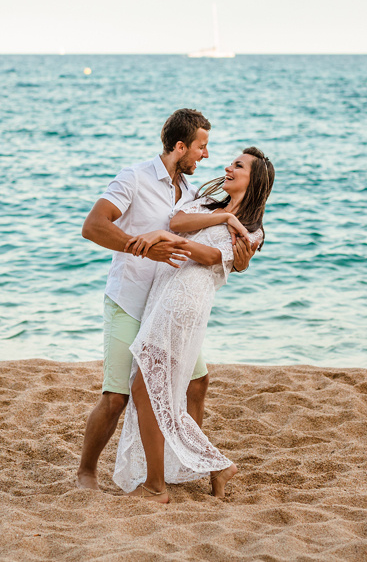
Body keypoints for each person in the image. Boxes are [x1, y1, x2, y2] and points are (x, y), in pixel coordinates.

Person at [75, 109, 258, 491]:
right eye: (201, 147)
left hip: (168, 308)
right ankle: (87, 472)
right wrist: (142, 249)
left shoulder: (192, 194)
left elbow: (213, 251)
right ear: (180, 147)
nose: (205, 156)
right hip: (130, 300)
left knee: (197, 382)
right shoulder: (135, 178)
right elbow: (92, 227)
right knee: (116, 397)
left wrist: (239, 262)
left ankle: (182, 462)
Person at [113, 147, 274, 503]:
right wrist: (222, 219)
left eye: (239, 166)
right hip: (163, 294)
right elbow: (178, 221)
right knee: (154, 390)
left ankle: (157, 486)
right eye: (232, 162)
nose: (228, 168)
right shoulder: (208, 205)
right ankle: (214, 467)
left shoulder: (254, 231)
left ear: (255, 179)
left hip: (185, 302)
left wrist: (169, 240)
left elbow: (211, 257)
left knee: (145, 388)